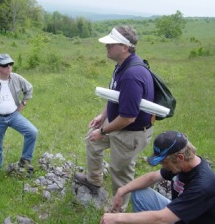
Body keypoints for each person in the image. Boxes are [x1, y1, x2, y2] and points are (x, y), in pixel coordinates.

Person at [75, 25, 154, 211]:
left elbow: (128, 118)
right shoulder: (121, 66)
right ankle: (94, 181)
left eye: (111, 44)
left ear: (125, 47)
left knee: (120, 172)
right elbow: (115, 95)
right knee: (92, 142)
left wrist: (102, 131)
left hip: (130, 132)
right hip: (118, 122)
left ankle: (118, 213)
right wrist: (103, 115)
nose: (107, 47)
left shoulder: (132, 75)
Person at [100, 131, 215, 224]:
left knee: (159, 220)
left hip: (187, 219)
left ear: (180, 158)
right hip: (178, 214)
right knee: (139, 192)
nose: (163, 166)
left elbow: (162, 218)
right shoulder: (184, 165)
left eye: (164, 162)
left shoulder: (203, 186)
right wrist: (122, 191)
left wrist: (117, 218)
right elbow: (152, 177)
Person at [0, 54, 38, 173]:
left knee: (32, 132)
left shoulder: (16, 78)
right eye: (5, 65)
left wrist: (23, 102)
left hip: (14, 115)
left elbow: (29, 88)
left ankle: (25, 160)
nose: (9, 67)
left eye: (10, 64)